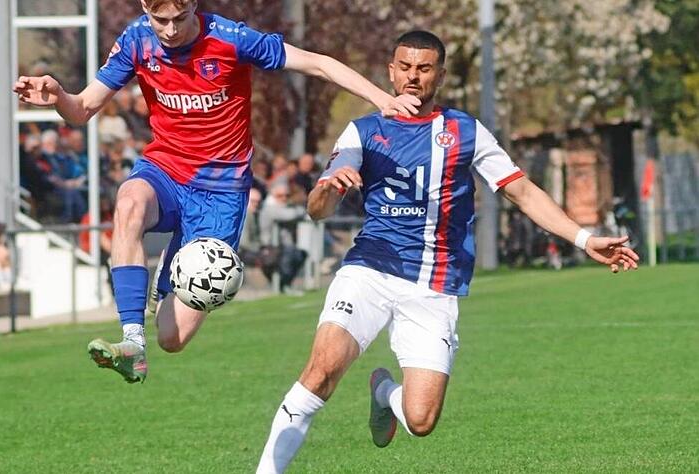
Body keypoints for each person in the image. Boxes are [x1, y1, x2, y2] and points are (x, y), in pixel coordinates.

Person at [255, 30, 640, 473]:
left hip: (434, 284)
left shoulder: (465, 131)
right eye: (404, 67)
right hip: (370, 270)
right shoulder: (363, 131)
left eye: (423, 69)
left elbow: (523, 192)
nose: (412, 77)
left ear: (439, 75)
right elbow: (317, 210)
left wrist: (584, 239)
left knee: (420, 420)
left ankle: (383, 393)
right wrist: (328, 188)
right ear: (391, 71)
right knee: (321, 372)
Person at [13, 0, 420, 384]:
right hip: (165, 170)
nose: (170, 30)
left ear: (194, 5)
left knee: (172, 338)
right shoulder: (137, 41)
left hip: (222, 194)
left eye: (180, 18)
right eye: (160, 21)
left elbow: (317, 63)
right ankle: (132, 342)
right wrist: (58, 97)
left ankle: (168, 279)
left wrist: (382, 99)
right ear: (144, 8)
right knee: (129, 202)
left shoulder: (230, 39)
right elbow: (82, 108)